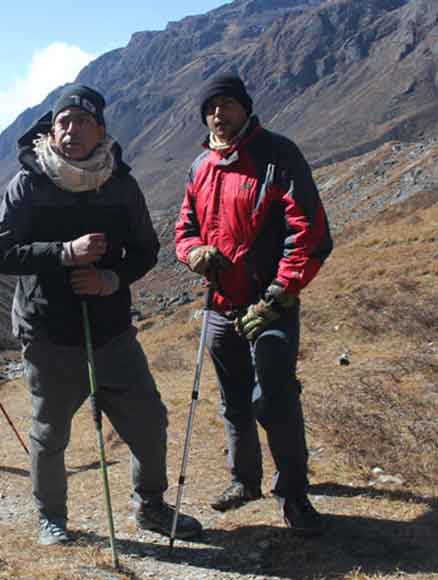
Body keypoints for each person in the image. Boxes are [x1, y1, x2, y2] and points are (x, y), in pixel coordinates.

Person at [0, 84, 202, 545]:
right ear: (52, 128)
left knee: (148, 420)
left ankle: (150, 505)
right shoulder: (29, 181)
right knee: (50, 433)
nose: (72, 130)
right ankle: (52, 518)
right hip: (48, 333)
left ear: (100, 129)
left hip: (111, 332)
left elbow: (145, 250)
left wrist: (112, 280)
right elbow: (0, 254)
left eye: (83, 122)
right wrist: (65, 253)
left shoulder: (119, 183)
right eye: (64, 121)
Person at [175, 73, 333, 535]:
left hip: (269, 303)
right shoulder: (200, 166)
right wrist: (193, 254)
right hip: (220, 304)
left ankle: (294, 496)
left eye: (226, 105)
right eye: (210, 108)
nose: (218, 115)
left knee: (275, 399)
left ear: (245, 107)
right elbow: (185, 229)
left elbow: (309, 234)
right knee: (234, 400)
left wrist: (279, 294)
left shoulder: (278, 155)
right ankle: (244, 481)